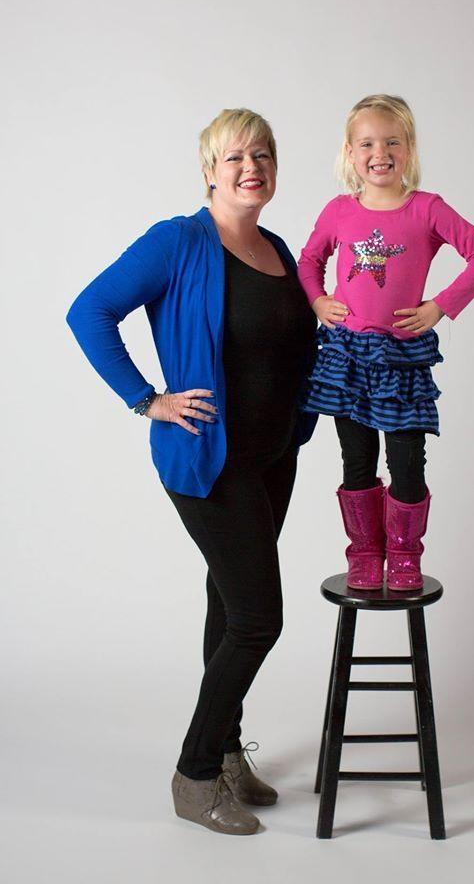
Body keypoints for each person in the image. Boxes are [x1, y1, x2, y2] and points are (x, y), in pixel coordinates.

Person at [66, 108, 317, 836]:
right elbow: (89, 311)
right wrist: (146, 400)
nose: (251, 168)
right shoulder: (176, 242)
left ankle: (229, 748)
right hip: (207, 460)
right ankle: (195, 773)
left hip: (274, 457)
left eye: (263, 155)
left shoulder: (276, 248)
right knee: (257, 619)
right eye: (235, 157)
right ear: (209, 169)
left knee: (226, 605)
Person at [297, 94, 474, 592]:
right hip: (347, 355)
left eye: (392, 141)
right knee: (356, 458)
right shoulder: (339, 211)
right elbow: (309, 262)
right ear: (350, 152)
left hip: (400, 359)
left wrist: (438, 307)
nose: (379, 152)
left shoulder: (427, 208)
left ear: (408, 149)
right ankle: (365, 553)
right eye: (367, 143)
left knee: (407, 459)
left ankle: (405, 552)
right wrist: (319, 302)